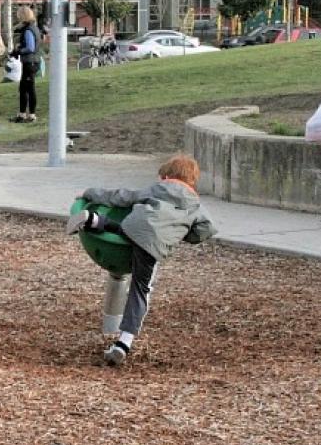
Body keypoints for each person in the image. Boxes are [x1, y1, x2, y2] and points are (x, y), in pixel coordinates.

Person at [65, 154, 217, 366]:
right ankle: (123, 344)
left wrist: (89, 193)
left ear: (166, 176)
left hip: (134, 227)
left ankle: (94, 220)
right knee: (141, 288)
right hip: (154, 243)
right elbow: (207, 229)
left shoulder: (157, 189)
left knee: (123, 232)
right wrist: (183, 232)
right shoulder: (195, 204)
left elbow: (122, 196)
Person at [10, 6, 42, 123]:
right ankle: (23, 113)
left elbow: (30, 47)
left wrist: (18, 51)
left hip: (30, 61)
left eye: (19, 15)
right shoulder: (34, 28)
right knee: (24, 88)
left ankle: (30, 115)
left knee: (28, 88)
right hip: (33, 61)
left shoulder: (28, 30)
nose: (17, 18)